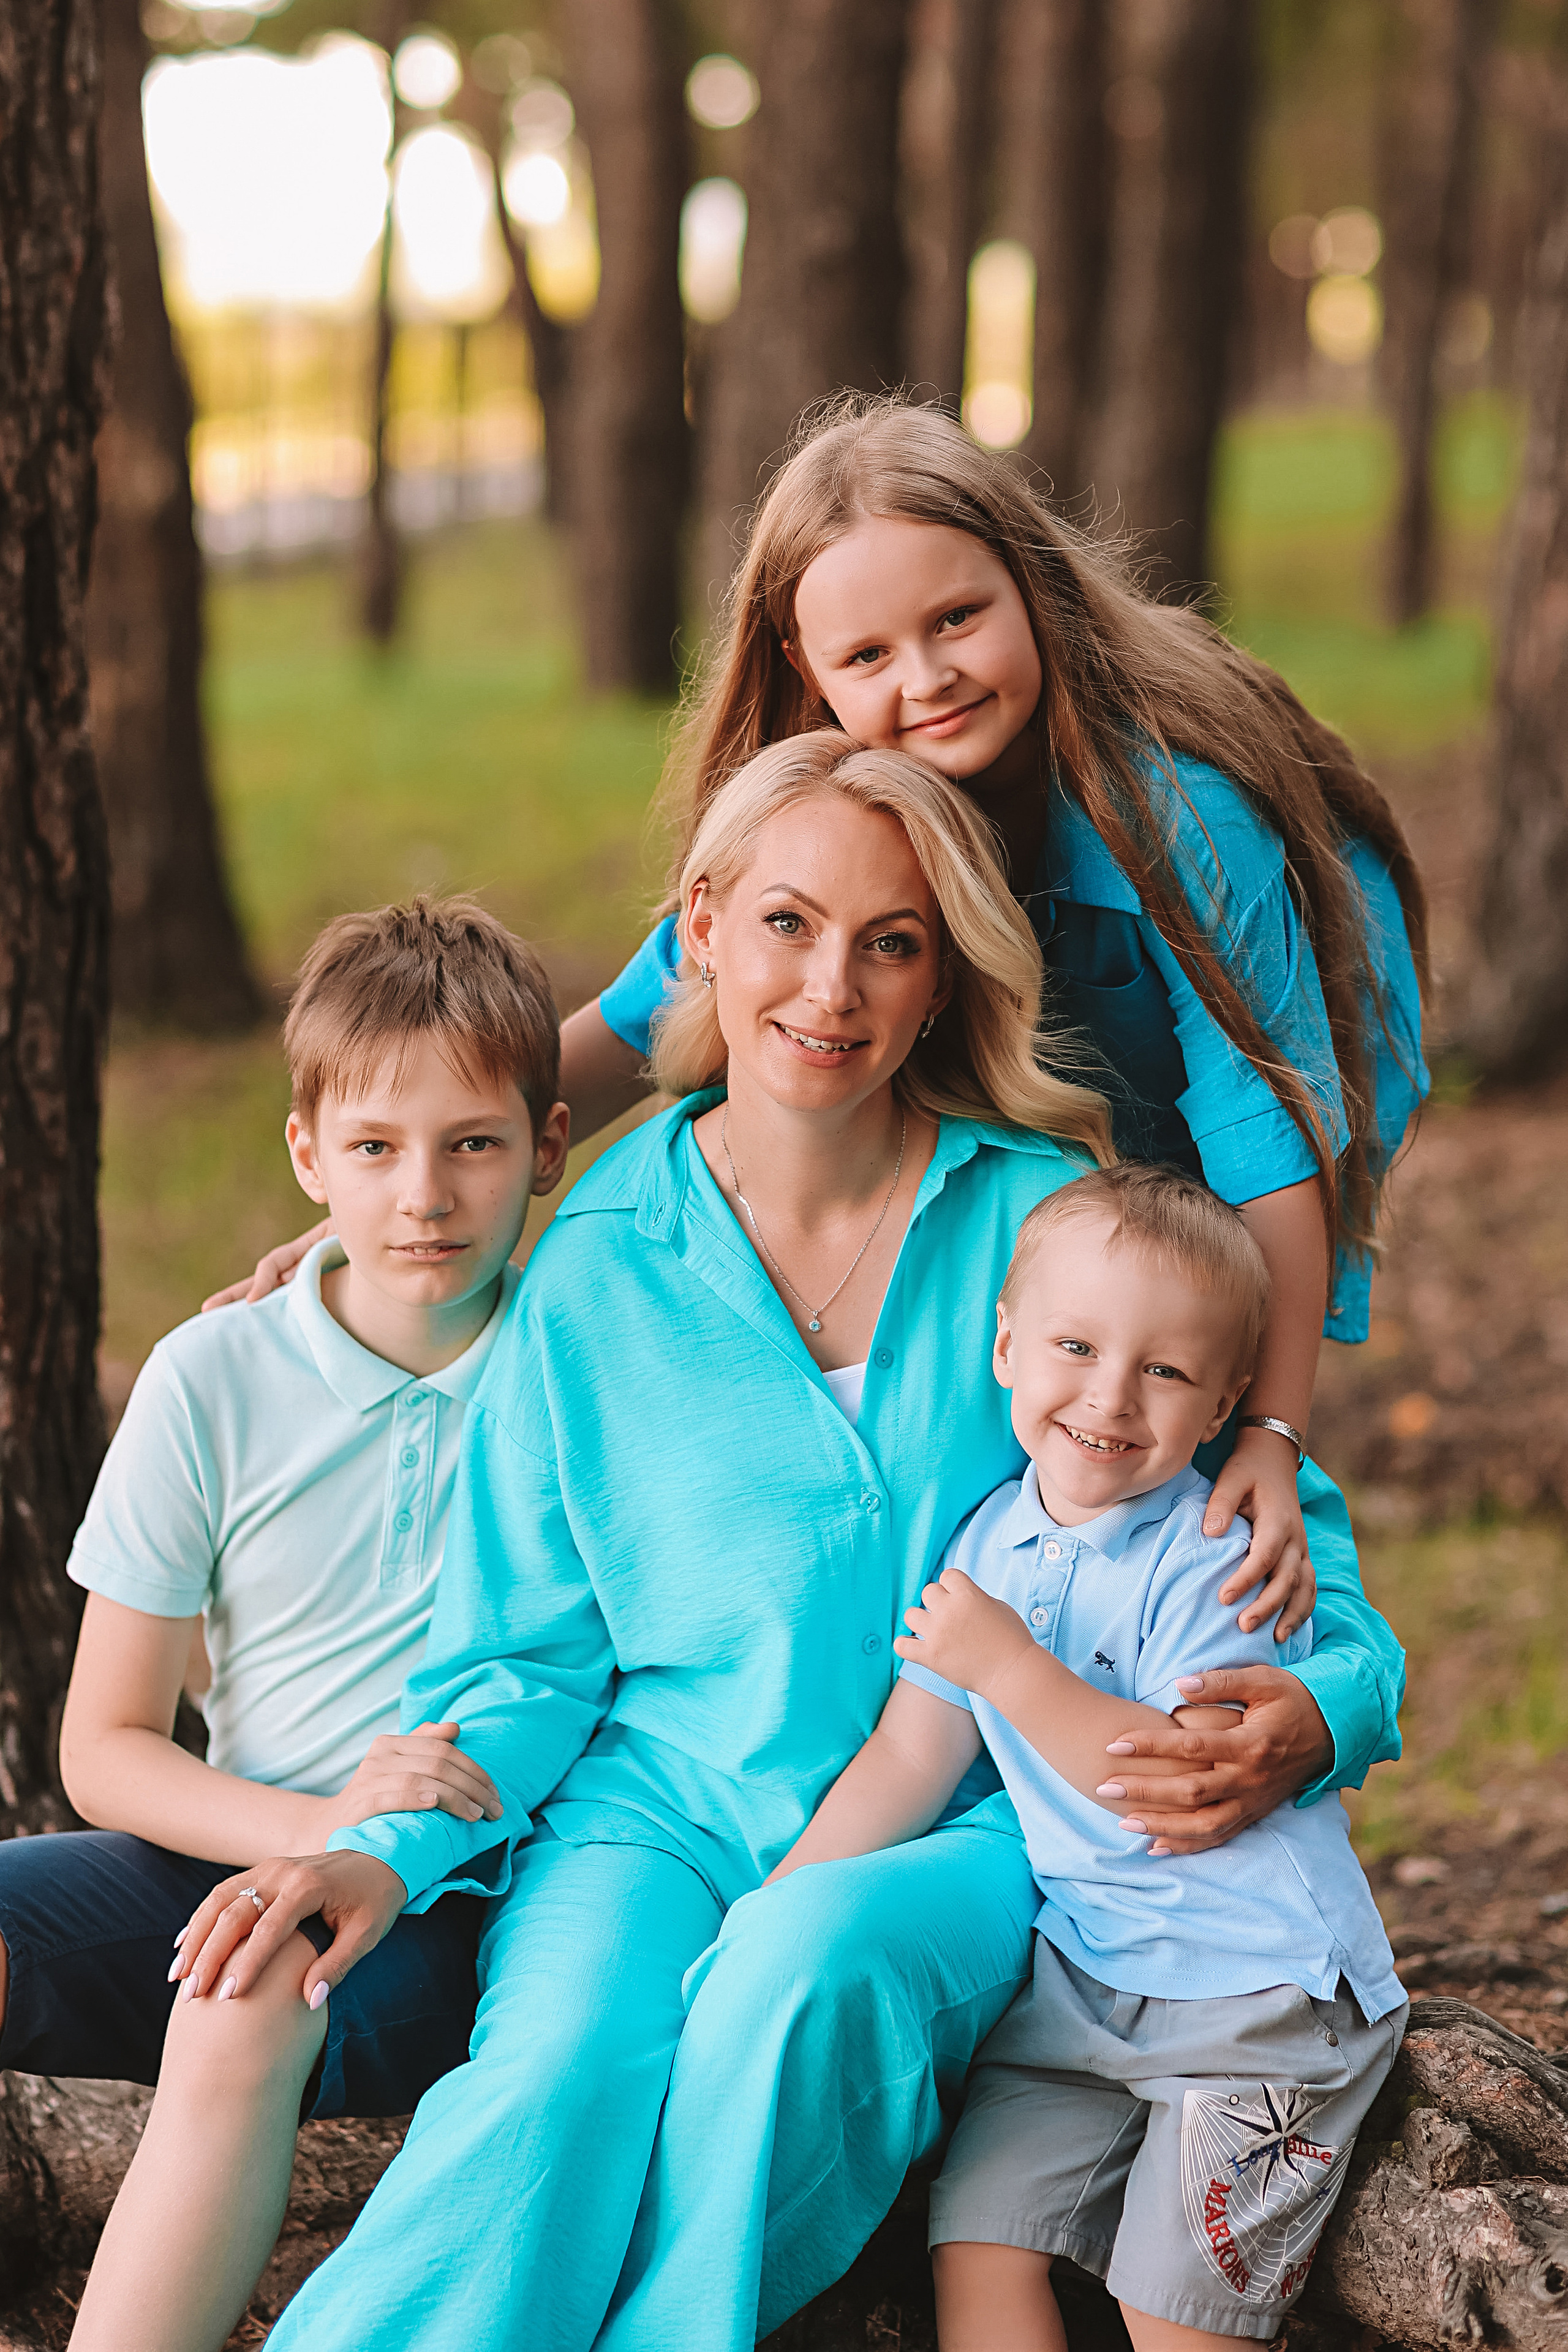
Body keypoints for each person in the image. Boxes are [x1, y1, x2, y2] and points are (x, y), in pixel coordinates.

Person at [167, 736, 1401, 2352]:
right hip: (657, 1816)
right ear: (700, 929)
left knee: (792, 1982)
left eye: (892, 942)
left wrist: (1333, 1707)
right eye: (788, 925)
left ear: (944, 975)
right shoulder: (596, 1257)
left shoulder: (1051, 1216)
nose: (833, 987)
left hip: (969, 1825)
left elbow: (1267, 1528)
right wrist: (374, 1851)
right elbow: (523, 1663)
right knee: (550, 2082)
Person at [211, 394, 1426, 1854]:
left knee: (1179, 1441)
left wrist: (1276, 1428)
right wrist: (412, 1176)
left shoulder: (1173, 821)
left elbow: (1270, 1150)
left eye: (956, 620)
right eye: (866, 655)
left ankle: (1214, 1777)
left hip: (1192, 1171)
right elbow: (634, 1031)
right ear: (806, 670)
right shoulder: (818, 835)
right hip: (995, 1158)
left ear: (1026, 584)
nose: (923, 679)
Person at [2, 897, 571, 2352]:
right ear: (308, 1155)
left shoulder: (581, 1371)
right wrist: (306, 1816)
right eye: (375, 1149)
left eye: (473, 1145)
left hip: (452, 1901)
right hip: (229, 1843)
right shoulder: (212, 1377)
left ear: (546, 1153)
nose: (422, 1197)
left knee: (255, 1976)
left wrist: (354, 1844)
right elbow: (109, 1746)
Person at [769, 1161, 1406, 2350]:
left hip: (1252, 1996)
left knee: (1166, 2311)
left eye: (1162, 1371)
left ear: (1220, 1407)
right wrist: (776, 1907)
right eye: (1073, 1347)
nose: (1108, 1398)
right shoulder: (988, 1539)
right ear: (1004, 1346)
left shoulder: (1221, 1548)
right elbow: (911, 1755)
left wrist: (1010, 1667)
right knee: (979, 2247)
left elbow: (1173, 1783)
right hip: (1081, 1989)